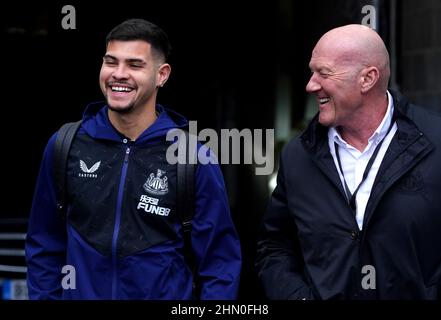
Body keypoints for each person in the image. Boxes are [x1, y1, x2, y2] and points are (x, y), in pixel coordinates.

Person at [25, 18, 241, 300]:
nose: (119, 74)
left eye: (135, 65)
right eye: (111, 62)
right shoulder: (65, 144)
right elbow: (44, 244)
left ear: (162, 75)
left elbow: (219, 264)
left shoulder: (193, 157)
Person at [255, 24, 441, 299]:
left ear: (367, 79)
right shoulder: (298, 155)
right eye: (311, 71)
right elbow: (275, 246)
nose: (310, 85)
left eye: (324, 73)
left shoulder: (436, 142)